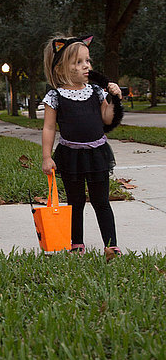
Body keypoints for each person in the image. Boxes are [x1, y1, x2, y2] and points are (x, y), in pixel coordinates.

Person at [41, 34, 123, 255]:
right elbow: (49, 128)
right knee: (75, 201)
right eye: (78, 62)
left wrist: (114, 97)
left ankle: (111, 244)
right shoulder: (55, 96)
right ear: (60, 69)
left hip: (97, 153)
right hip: (71, 155)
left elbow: (106, 118)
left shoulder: (96, 91)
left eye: (88, 61)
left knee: (101, 201)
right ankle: (76, 242)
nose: (86, 66)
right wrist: (47, 157)